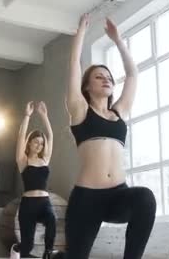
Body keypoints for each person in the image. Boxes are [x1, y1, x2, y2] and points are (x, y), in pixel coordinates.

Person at [64, 13, 156, 259]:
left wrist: (118, 40)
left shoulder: (119, 112)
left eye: (108, 78)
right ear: (87, 86)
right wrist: (81, 34)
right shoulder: (80, 110)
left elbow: (134, 75)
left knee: (145, 198)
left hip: (118, 195)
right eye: (98, 76)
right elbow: (74, 65)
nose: (106, 80)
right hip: (86, 199)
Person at [16, 101, 56, 258]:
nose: (39, 145)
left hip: (45, 203)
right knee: (27, 246)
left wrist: (44, 116)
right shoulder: (23, 160)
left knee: (52, 220)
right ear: (29, 142)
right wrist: (27, 116)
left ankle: (48, 252)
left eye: (41, 143)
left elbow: (51, 136)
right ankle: (16, 252)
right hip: (28, 205)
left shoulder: (45, 159)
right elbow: (20, 137)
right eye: (36, 142)